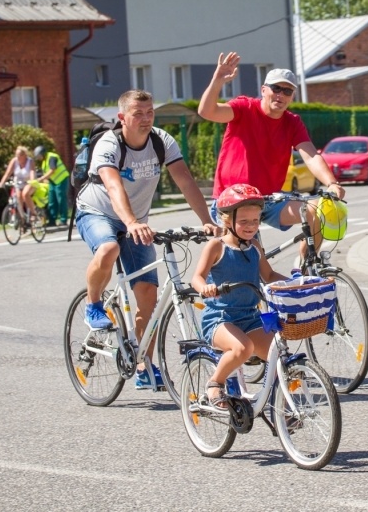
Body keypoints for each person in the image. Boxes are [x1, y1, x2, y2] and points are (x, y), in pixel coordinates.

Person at [76, 89, 220, 390]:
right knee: (109, 247)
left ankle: (143, 363)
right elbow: (114, 187)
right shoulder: (109, 143)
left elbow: (185, 180)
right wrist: (130, 222)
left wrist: (206, 220)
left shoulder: (161, 141)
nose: (145, 119)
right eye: (138, 113)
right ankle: (93, 305)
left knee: (148, 295)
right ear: (122, 118)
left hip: (136, 222)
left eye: (150, 112)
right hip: (97, 212)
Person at [197, 52, 345, 267]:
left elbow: (311, 155)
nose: (281, 95)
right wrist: (218, 79)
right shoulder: (244, 108)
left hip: (268, 199)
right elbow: (207, 111)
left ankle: (305, 267)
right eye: (276, 88)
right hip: (234, 201)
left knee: (317, 212)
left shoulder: (292, 122)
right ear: (264, 90)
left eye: (287, 91)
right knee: (247, 266)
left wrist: (332, 183)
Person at [190, 184, 287, 408]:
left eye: (255, 221)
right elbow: (197, 278)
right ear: (226, 220)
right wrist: (205, 287)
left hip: (250, 317)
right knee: (242, 348)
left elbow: (269, 274)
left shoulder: (254, 246)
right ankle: (215, 383)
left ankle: (280, 407)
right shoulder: (216, 246)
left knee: (278, 352)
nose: (251, 227)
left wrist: (294, 283)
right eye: (244, 222)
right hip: (220, 318)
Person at [0, 145, 39, 223]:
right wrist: (2, 182)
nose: (17, 157)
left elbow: (32, 171)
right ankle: (22, 219)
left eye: (19, 155)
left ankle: (33, 213)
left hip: (29, 182)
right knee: (18, 197)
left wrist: (32, 180)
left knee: (25, 194)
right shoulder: (14, 161)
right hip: (19, 183)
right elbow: (8, 173)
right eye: (16, 155)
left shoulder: (30, 161)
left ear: (24, 155)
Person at [34, 145, 69, 226]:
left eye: (38, 155)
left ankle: (63, 220)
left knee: (61, 200)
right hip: (53, 183)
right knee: (52, 201)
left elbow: (52, 170)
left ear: (42, 153)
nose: (38, 158)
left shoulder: (52, 157)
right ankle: (52, 221)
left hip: (61, 180)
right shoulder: (44, 162)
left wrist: (42, 178)